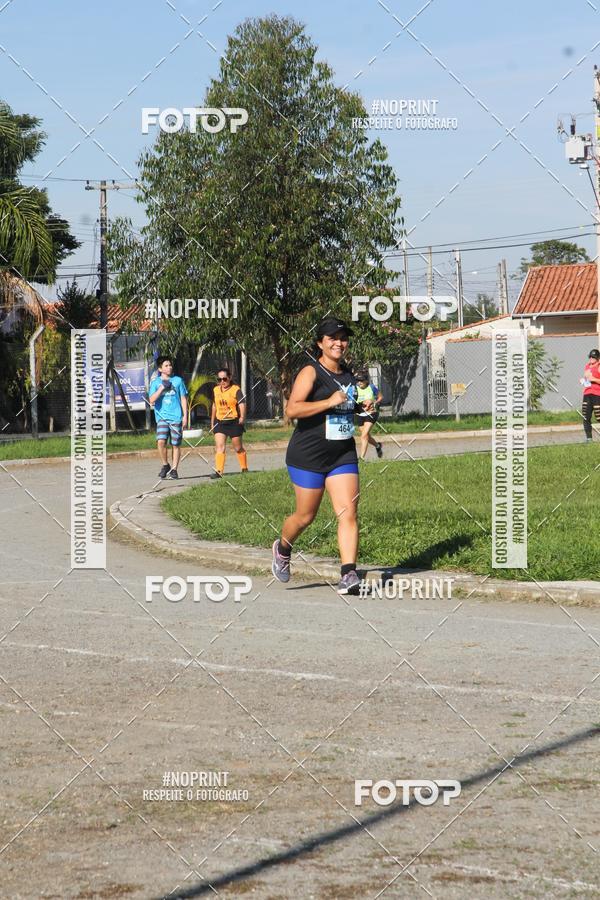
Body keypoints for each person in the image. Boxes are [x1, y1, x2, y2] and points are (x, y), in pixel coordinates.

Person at [271, 317, 375, 594]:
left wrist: (358, 408)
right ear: (320, 343)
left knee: (348, 512)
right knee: (306, 516)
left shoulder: (348, 375)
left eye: (343, 338)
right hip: (308, 455)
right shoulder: (311, 372)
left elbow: (341, 408)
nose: (339, 342)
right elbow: (292, 410)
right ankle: (282, 549)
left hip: (342, 454)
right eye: (332, 338)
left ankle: (348, 573)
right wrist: (329, 401)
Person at [149, 356, 188, 479]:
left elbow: (183, 398)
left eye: (170, 365)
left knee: (175, 444)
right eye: (166, 365)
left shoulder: (178, 380)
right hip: (162, 417)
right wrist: (161, 388)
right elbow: (151, 400)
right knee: (161, 441)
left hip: (176, 417)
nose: (169, 367)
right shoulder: (155, 383)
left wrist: (185, 416)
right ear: (160, 369)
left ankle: (174, 469)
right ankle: (165, 464)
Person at [210, 366, 248, 478]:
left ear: (230, 378)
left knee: (238, 448)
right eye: (219, 379)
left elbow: (242, 404)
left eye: (224, 379)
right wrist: (212, 422)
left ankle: (244, 468)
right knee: (220, 447)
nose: (222, 382)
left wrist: (242, 417)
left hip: (234, 422)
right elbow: (214, 406)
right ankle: (219, 471)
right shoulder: (216, 390)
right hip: (220, 422)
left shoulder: (236, 389)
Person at [355, 369, 384, 460]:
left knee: (364, 436)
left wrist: (374, 402)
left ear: (366, 380)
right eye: (358, 380)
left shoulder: (371, 387)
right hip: (360, 414)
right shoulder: (355, 388)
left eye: (361, 380)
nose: (359, 382)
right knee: (366, 435)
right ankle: (377, 446)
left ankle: (361, 458)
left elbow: (380, 397)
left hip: (371, 413)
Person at [581, 348, 600, 442]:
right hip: (587, 393)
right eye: (591, 357)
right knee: (585, 416)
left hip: (597, 394)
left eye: (594, 357)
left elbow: (594, 379)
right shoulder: (587, 366)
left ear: (598, 358)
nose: (592, 359)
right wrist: (583, 381)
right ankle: (589, 439)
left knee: (598, 417)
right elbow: (586, 379)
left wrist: (594, 379)